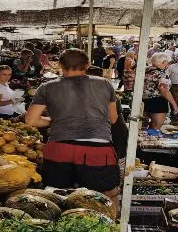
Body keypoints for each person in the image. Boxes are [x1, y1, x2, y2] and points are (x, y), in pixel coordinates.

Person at [25, 48, 120, 217]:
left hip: (60, 148)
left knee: (56, 198)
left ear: (60, 65)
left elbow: (31, 121)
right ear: (88, 65)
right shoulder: (105, 84)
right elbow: (112, 119)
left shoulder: (47, 87)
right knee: (106, 196)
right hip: (97, 150)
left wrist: (55, 121)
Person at [143, 53, 178, 130]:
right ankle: (151, 141)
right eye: (167, 63)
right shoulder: (162, 73)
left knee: (143, 126)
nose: (168, 65)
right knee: (156, 126)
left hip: (143, 100)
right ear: (164, 62)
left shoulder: (145, 70)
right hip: (157, 102)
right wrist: (174, 105)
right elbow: (163, 89)